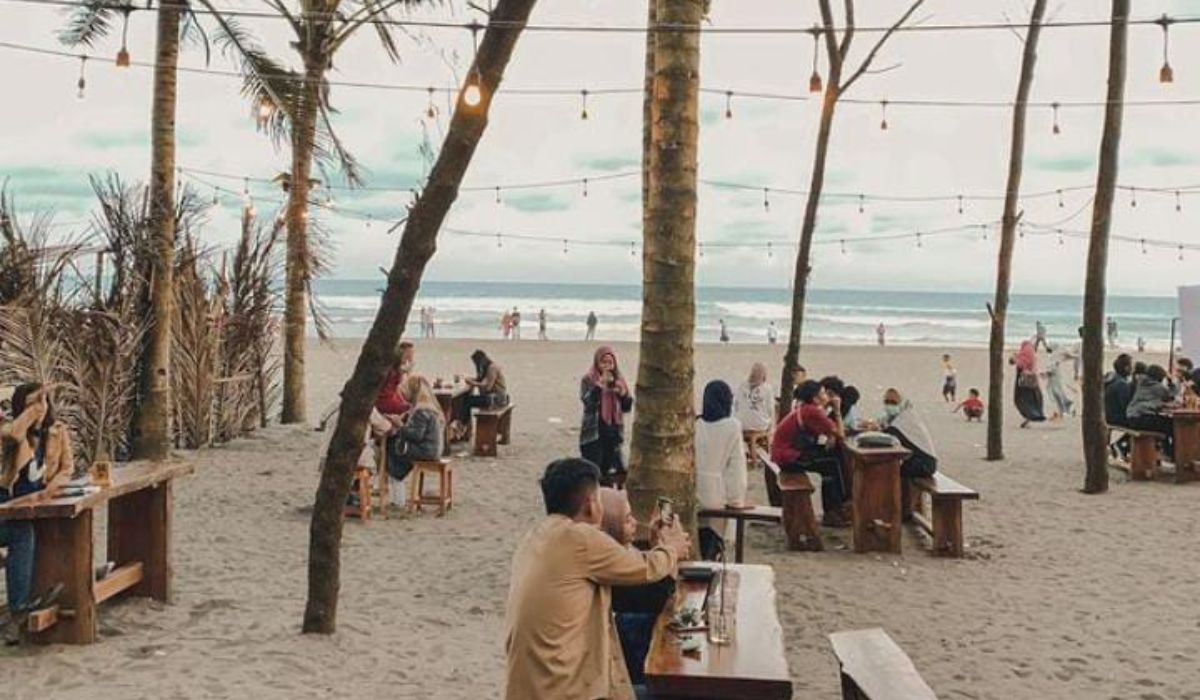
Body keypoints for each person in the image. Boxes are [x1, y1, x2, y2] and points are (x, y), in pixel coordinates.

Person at [504, 458, 689, 700]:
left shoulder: (538, 536)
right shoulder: (580, 538)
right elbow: (644, 568)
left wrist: (656, 547)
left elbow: (625, 570)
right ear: (591, 505)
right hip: (564, 691)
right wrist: (672, 548)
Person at [1, 383, 74, 642]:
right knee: (23, 532)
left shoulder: (56, 432)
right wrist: (31, 413)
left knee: (60, 525)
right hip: (6, 512)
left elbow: (67, 468)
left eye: (45, 401)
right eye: (35, 402)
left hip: (36, 507)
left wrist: (52, 488)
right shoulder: (9, 433)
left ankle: (67, 584)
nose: (42, 407)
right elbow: (12, 436)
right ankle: (19, 610)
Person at [599, 488, 675, 696]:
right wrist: (670, 551)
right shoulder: (606, 564)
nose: (634, 523)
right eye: (626, 519)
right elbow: (655, 597)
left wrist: (656, 544)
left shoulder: (609, 551)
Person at [770, 380, 850, 526]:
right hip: (789, 457)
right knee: (832, 464)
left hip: (785, 453)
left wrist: (832, 433)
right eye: (823, 393)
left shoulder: (806, 408)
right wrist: (837, 411)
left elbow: (829, 430)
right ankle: (835, 509)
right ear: (815, 398)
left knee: (833, 459)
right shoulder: (812, 411)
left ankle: (836, 507)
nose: (827, 395)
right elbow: (841, 434)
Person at [695, 380, 748, 561]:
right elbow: (736, 466)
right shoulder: (732, 426)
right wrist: (736, 499)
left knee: (698, 538)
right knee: (713, 542)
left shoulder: (695, 424)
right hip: (717, 493)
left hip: (694, 490)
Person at [580, 347, 633, 487]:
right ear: (597, 363)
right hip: (594, 433)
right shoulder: (588, 379)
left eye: (610, 362)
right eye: (603, 362)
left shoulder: (619, 380)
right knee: (594, 471)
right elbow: (588, 403)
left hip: (613, 432)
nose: (607, 366)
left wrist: (622, 394)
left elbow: (627, 407)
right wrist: (599, 386)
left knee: (614, 472)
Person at [387, 375, 445, 490]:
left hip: (426, 451)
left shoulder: (421, 409)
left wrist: (399, 425)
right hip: (433, 449)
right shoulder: (429, 406)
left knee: (393, 447)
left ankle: (397, 481)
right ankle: (398, 478)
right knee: (399, 448)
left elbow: (416, 435)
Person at [877, 388, 938, 478]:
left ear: (901, 403)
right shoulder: (897, 416)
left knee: (891, 473)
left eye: (893, 402)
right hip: (914, 460)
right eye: (887, 402)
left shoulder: (906, 418)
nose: (889, 405)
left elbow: (890, 435)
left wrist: (876, 429)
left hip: (924, 463)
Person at [1126, 364, 1176, 459]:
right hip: (1142, 417)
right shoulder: (1157, 386)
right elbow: (1171, 395)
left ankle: (1168, 452)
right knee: (1172, 425)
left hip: (1132, 417)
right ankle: (1172, 453)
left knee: (1165, 423)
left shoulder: (1141, 383)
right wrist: (1170, 381)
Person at [455, 350, 508, 433]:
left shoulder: (492, 368)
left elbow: (487, 387)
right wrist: (471, 379)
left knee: (467, 401)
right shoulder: (486, 368)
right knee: (465, 399)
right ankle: (462, 424)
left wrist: (473, 383)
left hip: (496, 399)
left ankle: (462, 425)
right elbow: (482, 380)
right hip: (492, 397)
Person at [1104, 354, 1135, 460]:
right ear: (1126, 368)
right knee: (1143, 423)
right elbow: (1126, 406)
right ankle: (1121, 446)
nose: (1132, 369)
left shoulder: (1110, 379)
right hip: (1116, 417)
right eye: (1132, 366)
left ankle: (1120, 446)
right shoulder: (1122, 384)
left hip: (1107, 414)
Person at [1010, 340, 1046, 428]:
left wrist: (1015, 357)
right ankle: (1033, 416)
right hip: (1032, 382)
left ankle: (1030, 417)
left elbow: (1014, 363)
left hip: (1022, 382)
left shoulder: (1022, 356)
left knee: (1022, 400)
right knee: (1032, 400)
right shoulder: (1032, 356)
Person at [375, 342, 415, 419]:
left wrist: (403, 402)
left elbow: (395, 389)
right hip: (384, 401)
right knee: (412, 409)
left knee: (410, 406)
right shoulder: (395, 370)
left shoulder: (396, 368)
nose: (411, 355)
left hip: (388, 398)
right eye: (409, 353)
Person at [735, 362, 775, 437]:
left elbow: (736, 405)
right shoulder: (768, 388)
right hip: (760, 425)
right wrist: (772, 427)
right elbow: (770, 410)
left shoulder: (742, 385)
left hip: (742, 424)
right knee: (768, 419)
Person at [1044, 343, 1074, 420]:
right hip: (1054, 380)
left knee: (1057, 394)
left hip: (1054, 380)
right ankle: (1063, 410)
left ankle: (1063, 410)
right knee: (1057, 394)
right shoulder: (1054, 356)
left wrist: (1045, 374)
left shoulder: (1054, 356)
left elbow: (1052, 368)